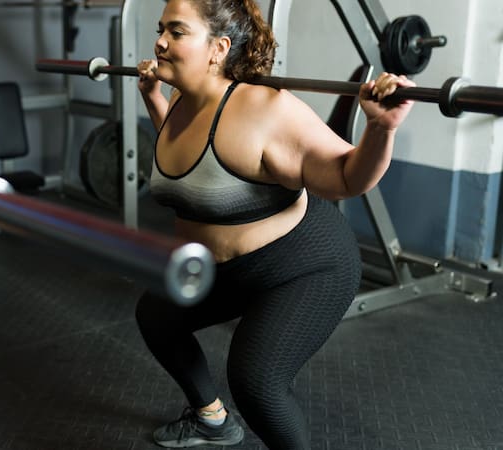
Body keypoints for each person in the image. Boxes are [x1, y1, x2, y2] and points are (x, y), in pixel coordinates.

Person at [134, 0, 414, 448]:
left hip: (305, 264)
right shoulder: (182, 102)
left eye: (177, 31)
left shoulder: (268, 110)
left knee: (256, 380)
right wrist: (153, 99)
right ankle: (210, 419)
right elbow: (193, 164)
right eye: (160, 29)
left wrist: (380, 130)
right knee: (156, 314)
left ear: (218, 48)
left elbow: (347, 177)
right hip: (225, 269)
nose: (160, 42)